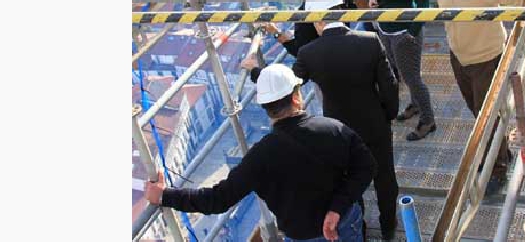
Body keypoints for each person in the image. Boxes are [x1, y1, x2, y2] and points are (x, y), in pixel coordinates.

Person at [144, 64, 376, 242]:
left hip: (302, 235)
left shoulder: (259, 157)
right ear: (296, 97)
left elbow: (216, 200)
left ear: (265, 107)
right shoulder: (333, 129)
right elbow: (367, 166)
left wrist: (165, 196)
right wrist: (337, 208)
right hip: (345, 223)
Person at [289, 0, 400, 241]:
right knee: (384, 177)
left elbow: (287, 85)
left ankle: (358, 227)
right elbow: (390, 85)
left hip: (338, 131)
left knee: (350, 183)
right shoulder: (369, 43)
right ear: (341, 11)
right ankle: (388, 227)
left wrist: (255, 71)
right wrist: (388, 115)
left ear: (317, 19)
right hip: (374, 124)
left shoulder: (309, 53)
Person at [417, 0, 525, 192]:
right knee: (477, 111)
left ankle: (497, 169)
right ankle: (501, 153)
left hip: (486, 59)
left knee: (486, 118)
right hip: (460, 56)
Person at [365, 0, 436, 141]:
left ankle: (428, 120)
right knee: (402, 73)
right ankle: (415, 105)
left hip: (404, 33)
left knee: (412, 78)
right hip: (386, 32)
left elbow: (425, 1)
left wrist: (412, 31)